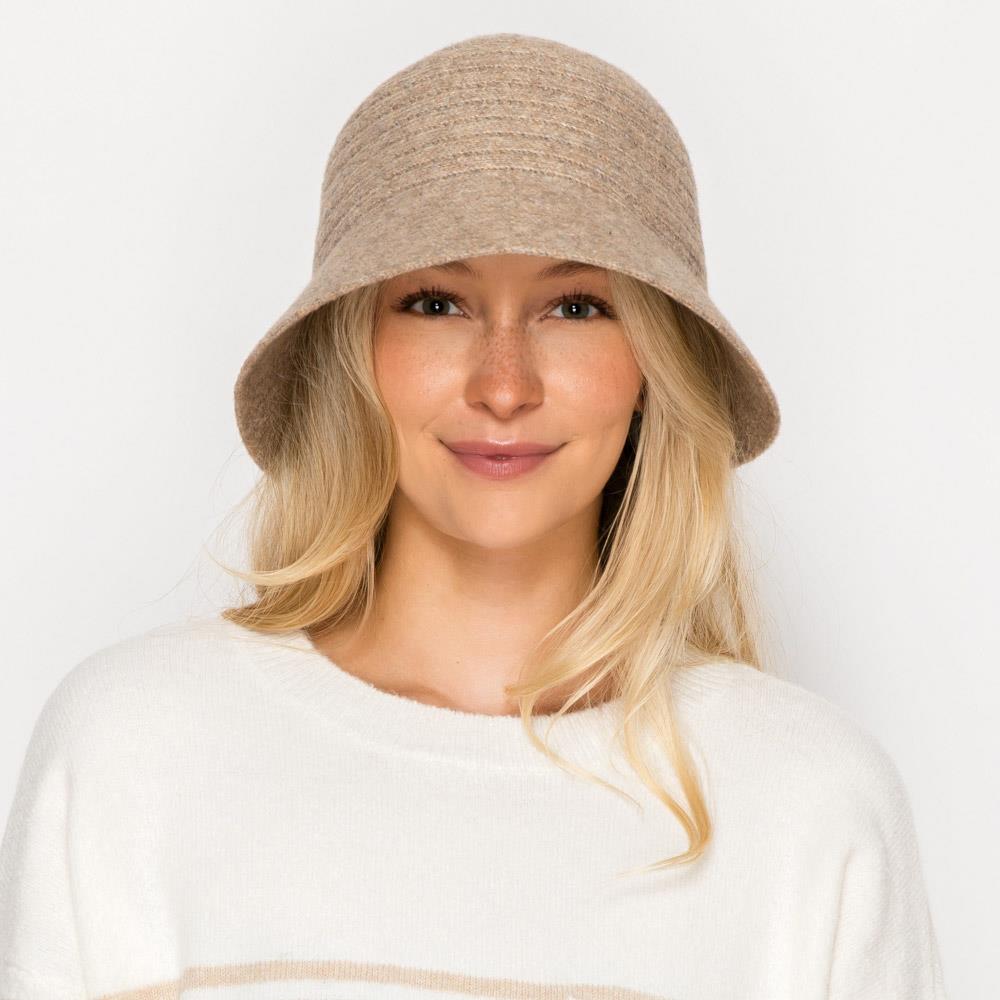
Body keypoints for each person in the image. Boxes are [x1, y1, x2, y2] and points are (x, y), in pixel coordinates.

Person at [0, 32, 948, 1000]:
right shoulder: (137, 751)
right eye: (435, 303)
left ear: (652, 368)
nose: (504, 386)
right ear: (354, 352)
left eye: (574, 307)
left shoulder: (807, 804)